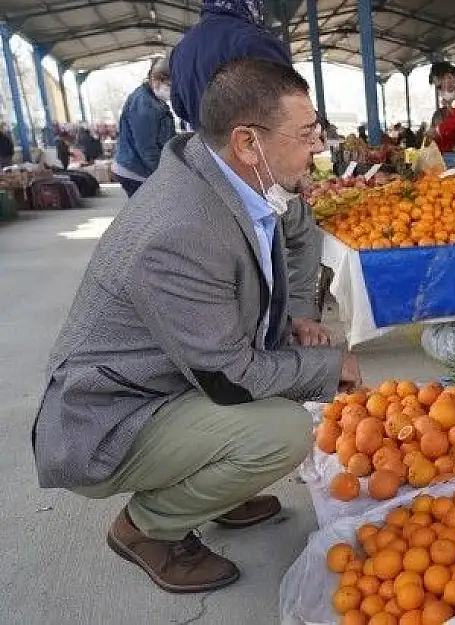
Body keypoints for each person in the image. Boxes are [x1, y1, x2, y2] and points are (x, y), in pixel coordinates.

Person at [32, 59, 362, 593]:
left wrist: (300, 312)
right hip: (114, 414)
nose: (318, 148)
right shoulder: (182, 230)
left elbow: (302, 232)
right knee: (284, 432)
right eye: (306, 135)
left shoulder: (240, 178)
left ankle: (219, 489)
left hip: (178, 374)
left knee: (281, 390)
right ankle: (147, 530)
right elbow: (228, 377)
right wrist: (328, 365)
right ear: (247, 142)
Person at [171, 0, 329, 347]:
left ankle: (258, 329)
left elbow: (182, 109)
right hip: (255, 163)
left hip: (212, 164)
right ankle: (291, 323)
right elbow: (287, 104)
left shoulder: (182, 51)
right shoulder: (253, 40)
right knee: (296, 232)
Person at [170, 0, 290, 129]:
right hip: (258, 144)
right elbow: (291, 104)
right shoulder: (255, 40)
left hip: (208, 144)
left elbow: (179, 108)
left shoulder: (180, 50)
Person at [112, 58, 176, 197]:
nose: (173, 90)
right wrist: (163, 175)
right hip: (136, 170)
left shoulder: (154, 100)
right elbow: (146, 147)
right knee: (149, 213)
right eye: (170, 85)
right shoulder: (144, 103)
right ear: (156, 80)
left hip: (140, 167)